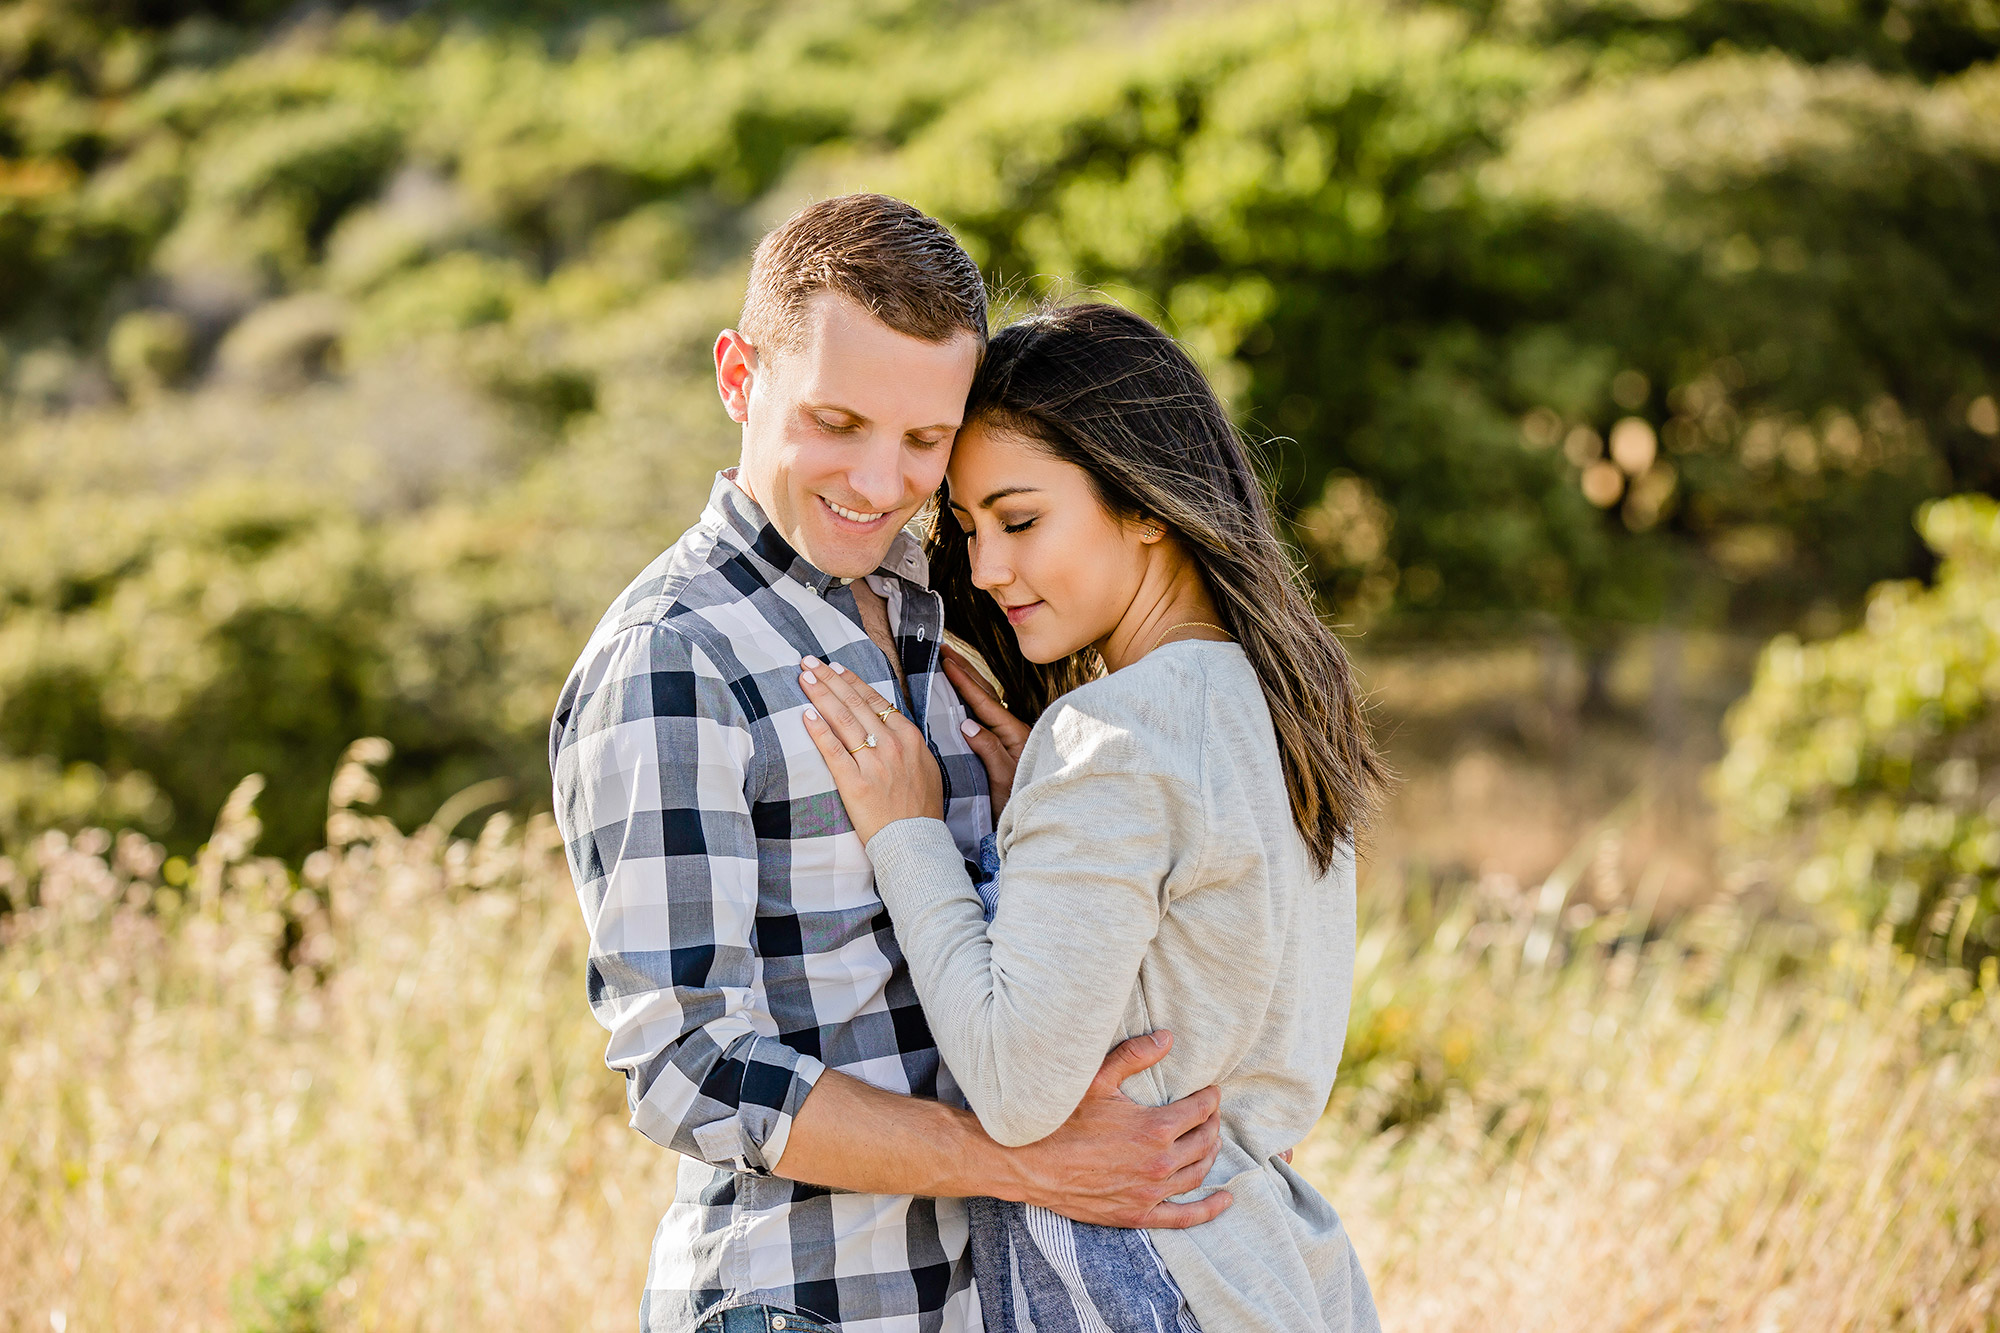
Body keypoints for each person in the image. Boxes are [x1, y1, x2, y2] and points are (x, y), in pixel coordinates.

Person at [550, 199, 1231, 1333]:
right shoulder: (676, 657)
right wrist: (1021, 1164)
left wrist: (1026, 821)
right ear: (737, 376)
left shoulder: (938, 604)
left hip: (991, 1300)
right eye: (836, 422)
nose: (878, 482)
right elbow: (686, 1063)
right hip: (802, 1305)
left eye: (924, 442)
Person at [794, 302, 1390, 1333]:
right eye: (970, 529)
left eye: (1020, 520)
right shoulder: (1276, 705)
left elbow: (1017, 1091)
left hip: (1148, 1276)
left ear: (1147, 502)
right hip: (1278, 1268)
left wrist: (908, 830)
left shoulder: (1111, 738)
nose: (984, 569)